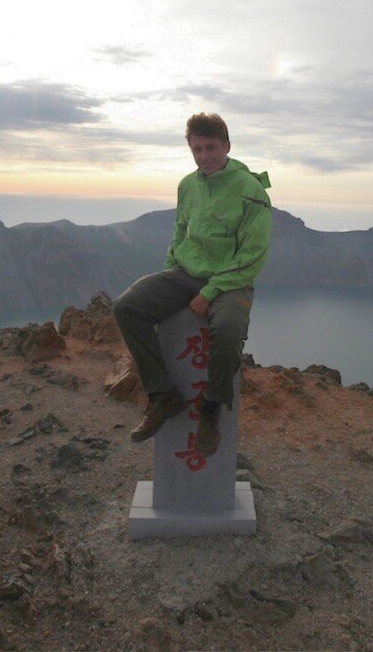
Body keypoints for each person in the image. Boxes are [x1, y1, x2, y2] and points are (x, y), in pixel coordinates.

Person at [113, 112, 272, 455]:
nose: (204, 156)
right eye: (197, 149)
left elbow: (253, 255)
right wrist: (170, 275)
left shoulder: (251, 191)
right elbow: (180, 233)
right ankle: (162, 397)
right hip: (185, 273)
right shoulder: (188, 185)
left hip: (230, 280)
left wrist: (211, 291)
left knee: (228, 330)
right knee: (127, 307)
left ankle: (211, 409)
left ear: (227, 146)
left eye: (211, 147)